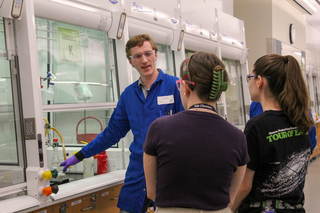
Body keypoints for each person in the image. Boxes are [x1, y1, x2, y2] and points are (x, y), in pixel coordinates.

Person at [60, 34, 184, 213]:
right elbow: (112, 133)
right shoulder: (128, 95)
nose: (144, 60)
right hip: (137, 175)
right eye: (137, 56)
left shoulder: (176, 86)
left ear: (156, 55)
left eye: (148, 53)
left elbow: (189, 129)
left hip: (168, 174)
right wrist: (80, 155)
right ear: (130, 61)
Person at [143, 52, 250, 213]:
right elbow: (231, 197)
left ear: (185, 87)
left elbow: (152, 192)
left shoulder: (159, 128)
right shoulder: (237, 136)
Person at [232, 54, 314, 213]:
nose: (248, 84)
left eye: (250, 77)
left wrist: (229, 209)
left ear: (260, 81)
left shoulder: (256, 126)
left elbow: (244, 186)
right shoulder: (301, 121)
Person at [249, 101, 317, 151]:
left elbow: (311, 138)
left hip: (296, 162)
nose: (248, 85)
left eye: (249, 80)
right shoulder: (255, 106)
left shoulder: (294, 102)